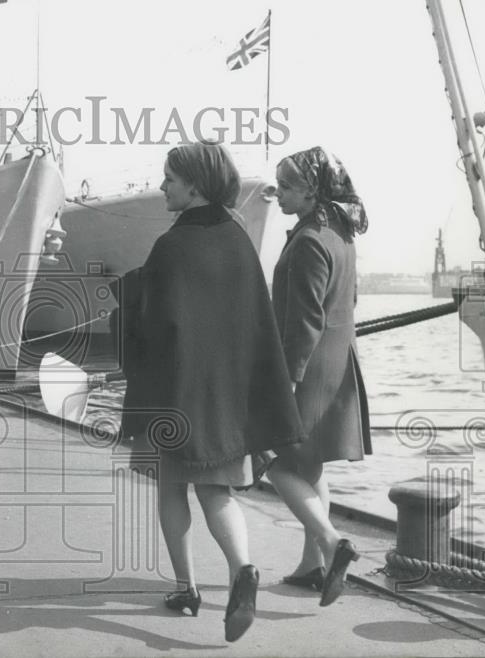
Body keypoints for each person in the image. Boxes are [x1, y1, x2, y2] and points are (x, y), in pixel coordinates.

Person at [119, 141, 304, 643]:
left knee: (171, 488)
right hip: (226, 403)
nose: (162, 187)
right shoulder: (239, 239)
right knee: (217, 491)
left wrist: (127, 293)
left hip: (175, 397)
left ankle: (186, 589)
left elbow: (150, 325)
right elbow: (251, 324)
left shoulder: (171, 247)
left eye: (170, 180)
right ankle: (243, 568)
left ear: (195, 185)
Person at [267, 145, 370, 607]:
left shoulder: (309, 239)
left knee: (280, 465)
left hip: (307, 365)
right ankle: (312, 568)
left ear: (311, 191)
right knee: (311, 463)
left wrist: (288, 379)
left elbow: (305, 318)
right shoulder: (341, 233)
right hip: (337, 359)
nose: (278, 193)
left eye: (287, 187)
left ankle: (332, 543)